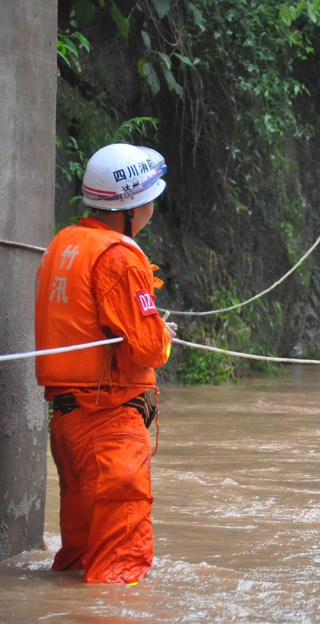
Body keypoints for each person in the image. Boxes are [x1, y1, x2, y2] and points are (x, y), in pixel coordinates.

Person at [34, 143, 175, 584]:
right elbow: (149, 349)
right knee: (120, 572)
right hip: (108, 426)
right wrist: (165, 336)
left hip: (70, 426)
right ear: (134, 204)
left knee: (79, 562)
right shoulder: (118, 256)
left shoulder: (66, 245)